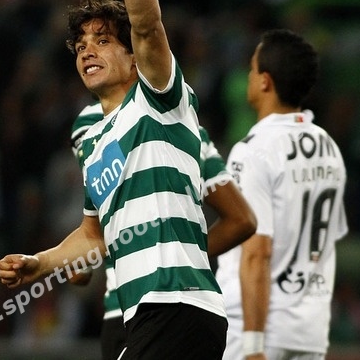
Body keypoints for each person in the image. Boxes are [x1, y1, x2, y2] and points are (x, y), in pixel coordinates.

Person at [0, 0, 254, 359]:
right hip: (144, 315)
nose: (86, 51)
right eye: (80, 45)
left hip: (177, 303)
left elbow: (148, 26)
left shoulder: (158, 99)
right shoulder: (94, 142)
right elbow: (92, 236)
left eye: (102, 41)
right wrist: (40, 264)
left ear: (134, 59)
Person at [70, 102, 257, 359]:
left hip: (132, 308)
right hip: (191, 305)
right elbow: (241, 219)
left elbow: (241, 220)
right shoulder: (187, 121)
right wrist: (183, 252)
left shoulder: (93, 121)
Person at [215, 29, 348, 360]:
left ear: (265, 81)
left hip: (256, 329)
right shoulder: (329, 148)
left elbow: (256, 252)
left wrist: (253, 344)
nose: (248, 76)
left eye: (252, 69)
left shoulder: (254, 150)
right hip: (308, 332)